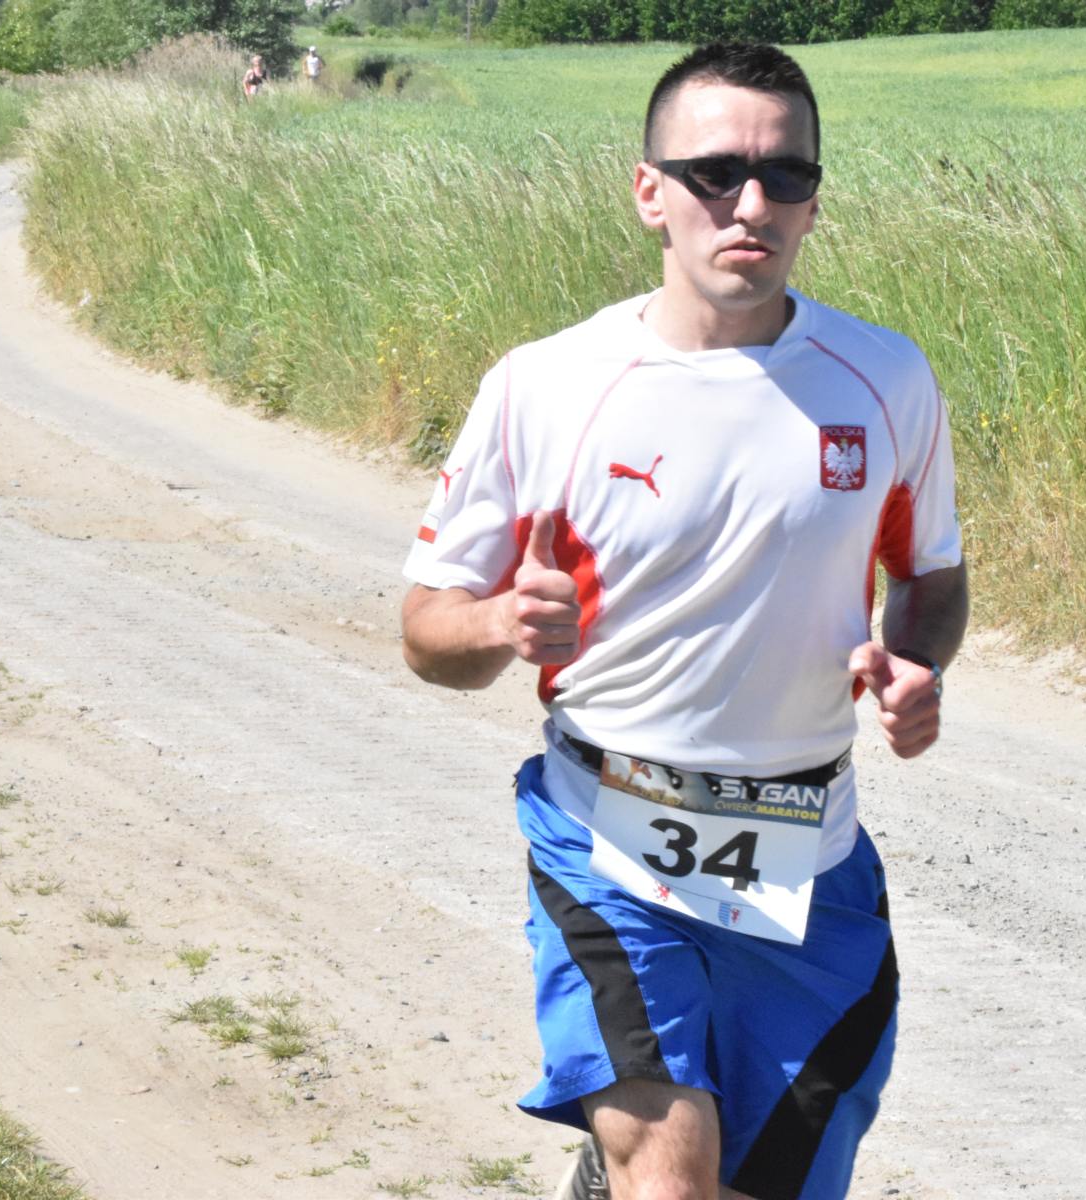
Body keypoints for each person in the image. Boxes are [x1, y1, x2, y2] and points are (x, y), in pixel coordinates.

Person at [399, 42, 968, 1200]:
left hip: (807, 862)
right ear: (649, 191)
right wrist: (500, 623)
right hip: (606, 843)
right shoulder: (547, 385)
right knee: (672, 1173)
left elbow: (931, 580)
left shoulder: (884, 380)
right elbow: (424, 631)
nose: (750, 204)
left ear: (814, 201)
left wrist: (914, 665)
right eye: (714, 174)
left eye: (784, 175)